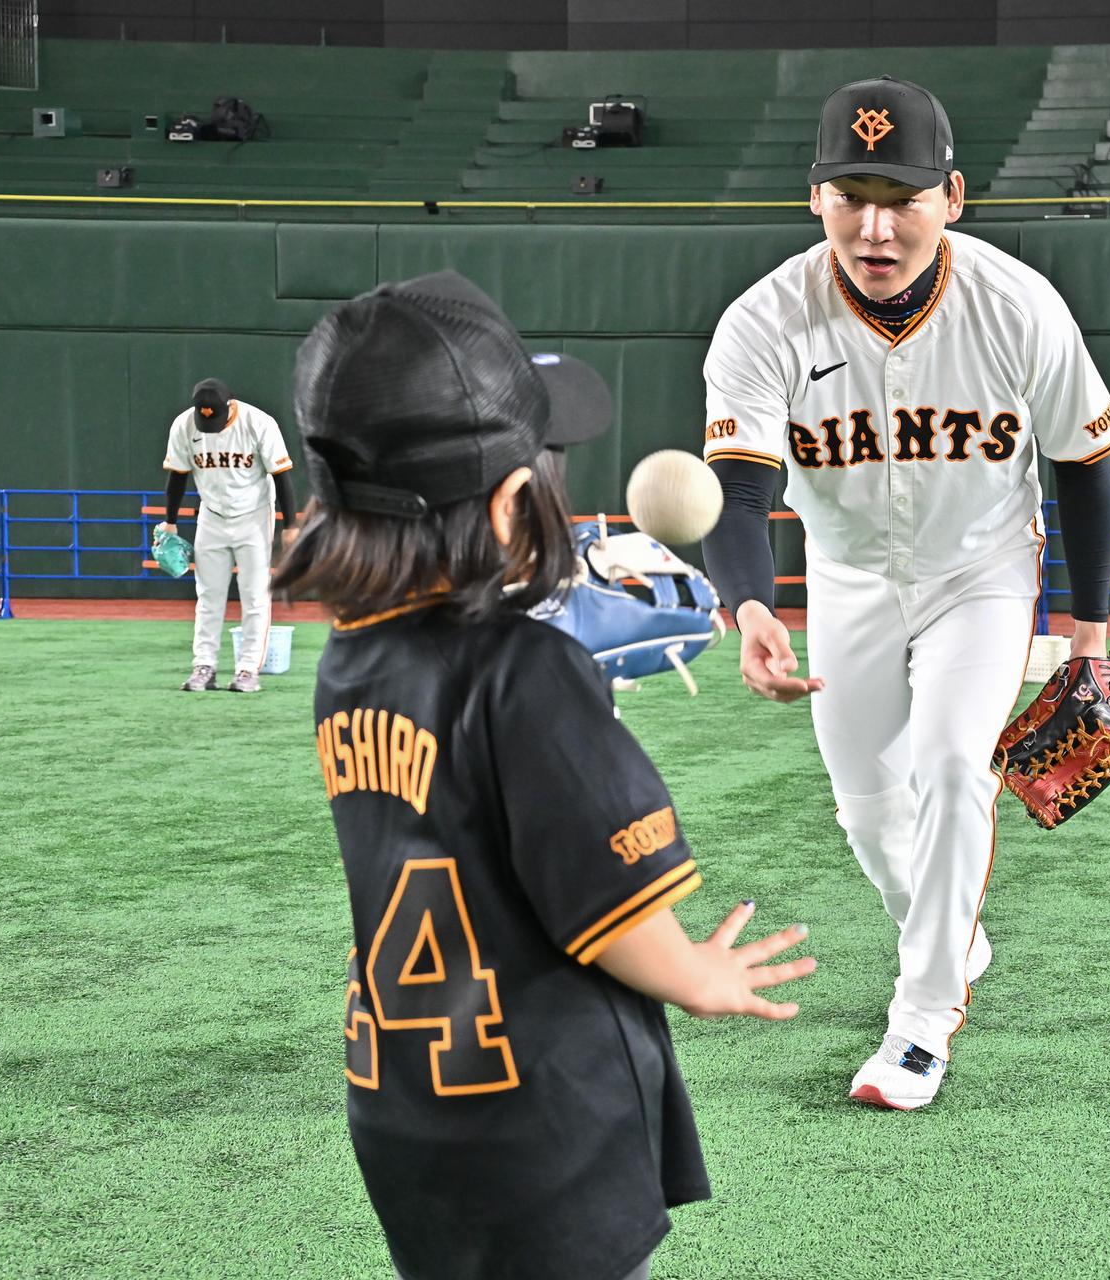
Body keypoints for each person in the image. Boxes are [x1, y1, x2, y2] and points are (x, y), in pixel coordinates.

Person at [273, 271, 814, 1280]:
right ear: (516, 499)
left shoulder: (348, 662)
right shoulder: (529, 670)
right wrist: (698, 972)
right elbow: (609, 909)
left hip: (408, 1108)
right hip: (543, 1118)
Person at [699, 77, 1110, 1110]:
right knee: (866, 807)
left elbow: (1082, 464)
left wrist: (1090, 632)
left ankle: (921, 1022)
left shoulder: (1018, 305)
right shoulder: (764, 321)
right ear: (815, 199)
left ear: (953, 196)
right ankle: (955, 936)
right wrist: (753, 605)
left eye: (903, 195)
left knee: (949, 765)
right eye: (851, 194)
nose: (876, 224)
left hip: (980, 572)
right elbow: (742, 488)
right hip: (845, 579)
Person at [158, 378, 296, 692]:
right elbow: (177, 477)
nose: (210, 424)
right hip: (211, 515)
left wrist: (290, 526)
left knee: (255, 594)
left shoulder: (258, 422)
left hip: (254, 516)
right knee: (208, 594)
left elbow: (282, 476)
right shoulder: (184, 426)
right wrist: (170, 522)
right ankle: (204, 666)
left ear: (230, 404)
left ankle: (248, 670)